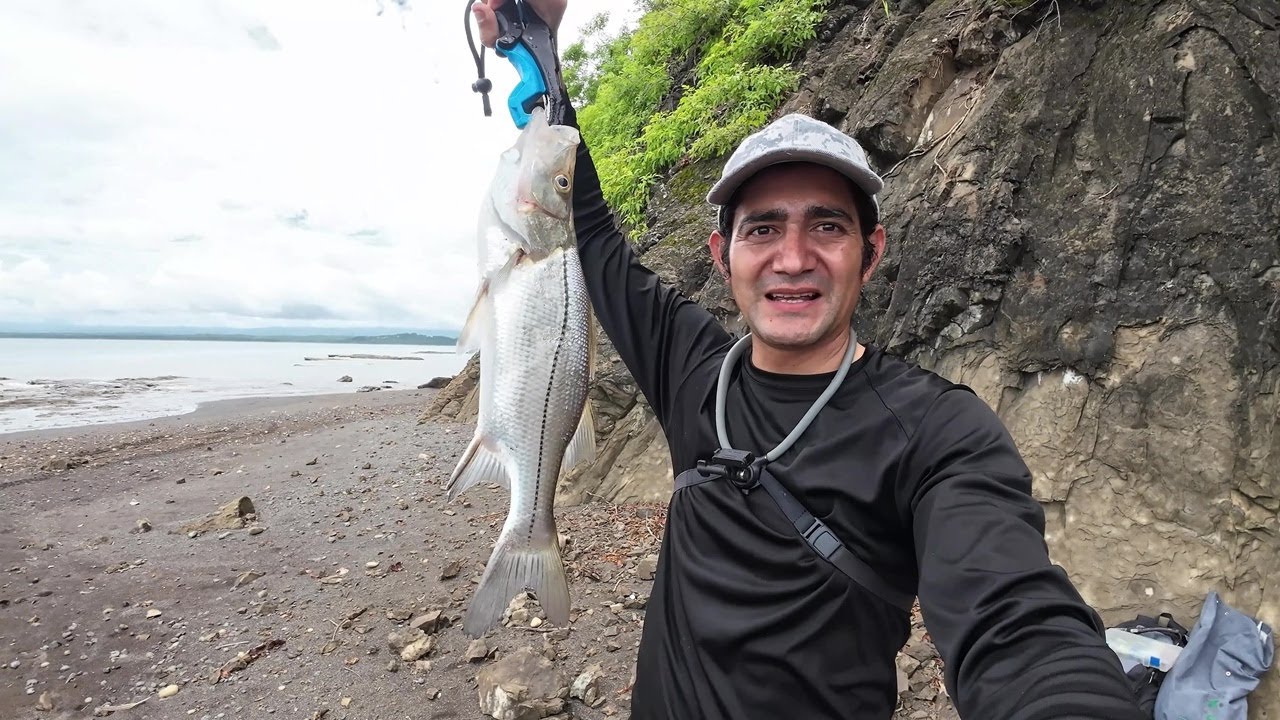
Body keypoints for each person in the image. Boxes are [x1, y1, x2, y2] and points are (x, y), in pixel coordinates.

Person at [472, 2, 1145, 718]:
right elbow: (585, 226)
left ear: (871, 253)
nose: (793, 258)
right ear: (722, 256)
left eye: (827, 225)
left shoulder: (937, 432)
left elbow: (1019, 622)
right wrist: (533, 43)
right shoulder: (693, 369)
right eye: (762, 228)